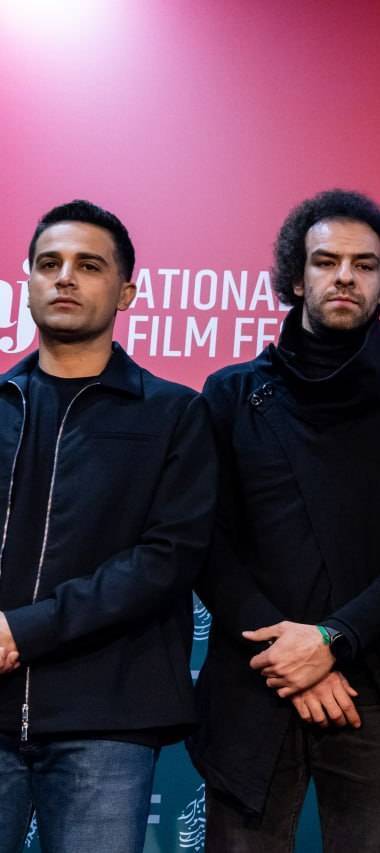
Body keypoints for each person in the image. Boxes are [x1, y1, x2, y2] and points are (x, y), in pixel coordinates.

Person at [188, 189, 380, 852]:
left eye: (364, 265)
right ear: (295, 276)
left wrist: (331, 641)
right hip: (256, 674)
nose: (345, 276)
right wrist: (288, 652)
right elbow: (206, 545)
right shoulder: (229, 392)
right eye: (326, 261)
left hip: (374, 680)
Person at [0, 200, 216, 853]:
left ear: (126, 292)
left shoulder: (173, 414)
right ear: (27, 283)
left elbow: (166, 559)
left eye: (88, 265)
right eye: (49, 264)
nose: (65, 277)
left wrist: (22, 630)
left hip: (107, 718)